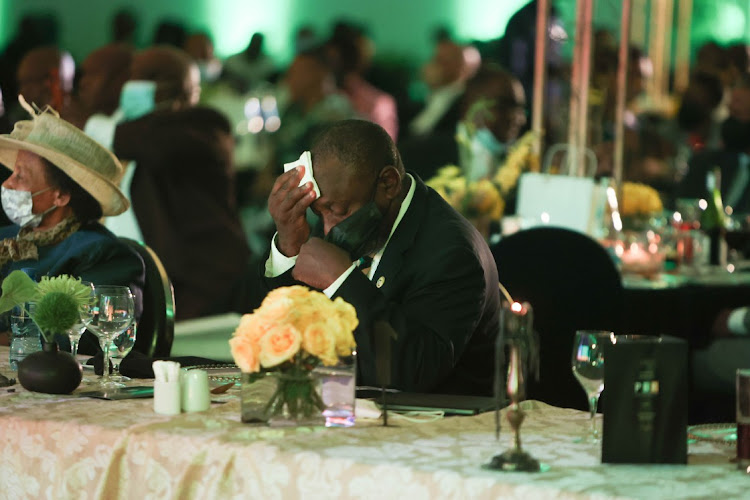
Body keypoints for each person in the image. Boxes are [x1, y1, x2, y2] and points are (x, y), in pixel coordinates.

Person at [262, 119, 500, 396]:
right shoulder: (342, 211)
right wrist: (289, 247)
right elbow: (276, 340)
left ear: (388, 183)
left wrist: (343, 280)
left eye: (338, 211)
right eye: (320, 213)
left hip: (444, 425)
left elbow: (413, 374)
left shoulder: (451, 252)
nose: (327, 229)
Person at [111, 46, 252, 320]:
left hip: (206, 277)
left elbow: (151, 144)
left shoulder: (206, 125)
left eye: (145, 77)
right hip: (161, 278)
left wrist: (88, 123)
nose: (130, 84)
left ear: (181, 90)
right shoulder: (132, 127)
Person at [0, 103, 144, 346]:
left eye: (21, 176)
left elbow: (83, 337)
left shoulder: (104, 254)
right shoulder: (5, 238)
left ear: (61, 196)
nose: (7, 184)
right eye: (12, 173)